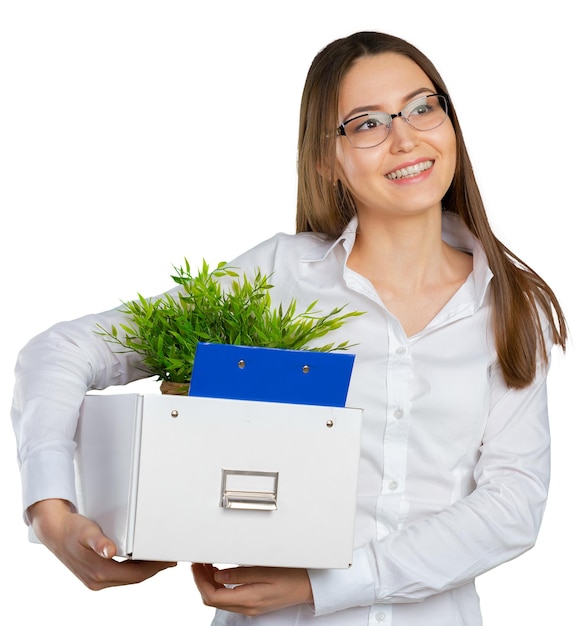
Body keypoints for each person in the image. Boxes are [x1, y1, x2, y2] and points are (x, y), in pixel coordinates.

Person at [11, 31, 567, 626]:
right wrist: (50, 508)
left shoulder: (510, 303)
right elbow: (65, 350)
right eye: (367, 123)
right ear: (328, 159)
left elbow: (512, 506)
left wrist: (323, 583)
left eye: (422, 107)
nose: (406, 138)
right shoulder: (279, 279)